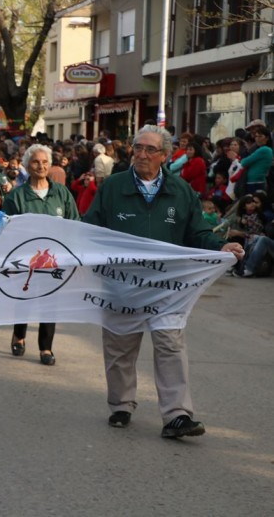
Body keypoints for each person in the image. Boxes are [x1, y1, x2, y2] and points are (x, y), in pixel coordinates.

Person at [83, 125, 244, 438]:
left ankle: (177, 415)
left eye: (149, 149)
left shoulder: (180, 191)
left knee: (170, 346)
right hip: (121, 285)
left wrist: (220, 247)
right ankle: (121, 404)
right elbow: (91, 228)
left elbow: (196, 232)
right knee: (120, 350)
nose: (141, 154)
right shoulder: (113, 187)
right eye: (137, 148)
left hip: (168, 287)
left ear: (165, 155)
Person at [1, 144, 79, 366]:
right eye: (36, 162)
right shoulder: (17, 196)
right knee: (23, 300)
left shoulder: (61, 193)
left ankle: (46, 347)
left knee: (50, 302)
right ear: (27, 165)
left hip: (54, 260)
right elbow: (6, 228)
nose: (41, 166)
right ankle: (19, 335)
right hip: (25, 259)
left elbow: (75, 223)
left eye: (45, 162)